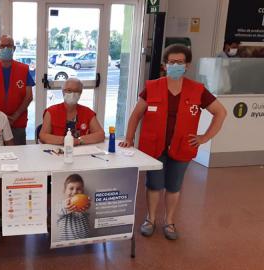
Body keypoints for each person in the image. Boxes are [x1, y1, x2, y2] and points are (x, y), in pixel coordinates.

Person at [119, 44, 227, 240]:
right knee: (154, 185)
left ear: (187, 65)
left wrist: (204, 137)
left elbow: (220, 113)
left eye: (179, 62)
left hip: (182, 146)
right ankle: (150, 219)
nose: (175, 65)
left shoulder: (198, 90)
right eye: (171, 62)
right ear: (164, 65)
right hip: (154, 146)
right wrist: (128, 138)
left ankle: (169, 221)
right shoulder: (152, 87)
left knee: (174, 186)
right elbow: (136, 114)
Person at [0, 35, 35, 145]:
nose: (5, 49)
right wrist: (0, 117)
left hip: (17, 123)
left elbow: (29, 97)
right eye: (2, 46)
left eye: (9, 46)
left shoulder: (24, 69)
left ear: (14, 48)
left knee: (18, 156)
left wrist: (15, 116)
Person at [39, 78, 105, 145]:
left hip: (82, 152)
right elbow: (43, 136)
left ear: (80, 93)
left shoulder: (87, 112)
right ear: (63, 92)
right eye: (69, 90)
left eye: (76, 91)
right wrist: (66, 140)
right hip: (57, 151)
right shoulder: (51, 112)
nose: (72, 94)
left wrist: (79, 140)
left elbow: (101, 135)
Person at [56, 174, 90, 241]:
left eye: (78, 189)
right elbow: (59, 211)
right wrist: (67, 207)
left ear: (82, 192)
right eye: (71, 188)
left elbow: (86, 216)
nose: (74, 192)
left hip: (84, 242)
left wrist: (86, 206)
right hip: (65, 242)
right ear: (64, 191)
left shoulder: (84, 206)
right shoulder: (60, 205)